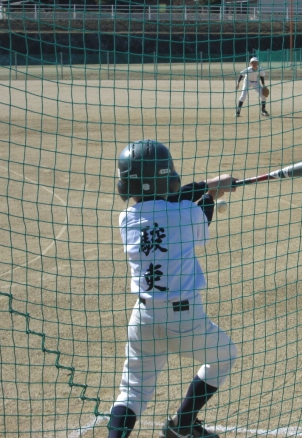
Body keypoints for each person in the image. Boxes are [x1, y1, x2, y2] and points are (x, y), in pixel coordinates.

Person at [109, 139, 238, 438]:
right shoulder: (186, 213)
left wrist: (207, 186)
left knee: (132, 392)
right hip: (185, 321)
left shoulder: (126, 220)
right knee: (224, 356)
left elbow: (167, 203)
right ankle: (182, 424)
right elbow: (195, 212)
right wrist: (210, 193)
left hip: (143, 319)